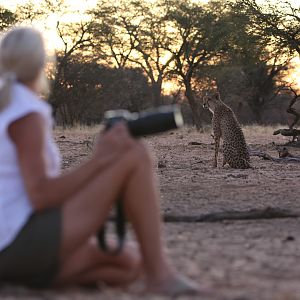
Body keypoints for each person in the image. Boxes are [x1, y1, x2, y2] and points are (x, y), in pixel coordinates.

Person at [0, 26, 203, 296]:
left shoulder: (8, 104)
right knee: (135, 153)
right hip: (19, 240)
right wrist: (100, 159)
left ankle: (33, 275)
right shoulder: (26, 112)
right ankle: (160, 275)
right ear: (43, 64)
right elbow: (40, 195)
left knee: (128, 264)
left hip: (11, 243)